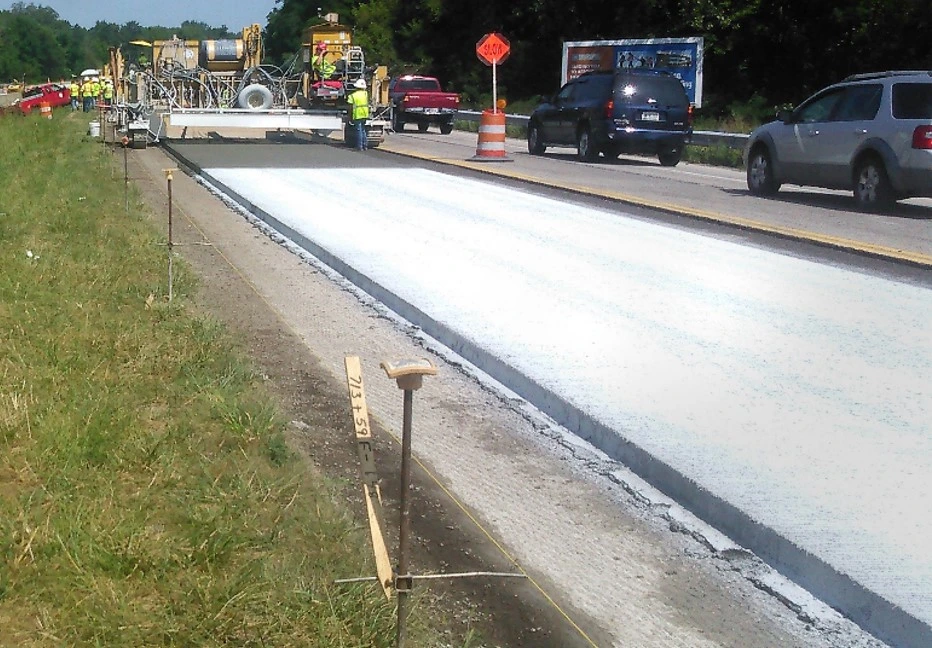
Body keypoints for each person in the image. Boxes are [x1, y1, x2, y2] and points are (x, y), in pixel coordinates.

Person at [347, 78, 369, 151]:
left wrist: (349, 117)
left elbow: (350, 107)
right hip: (365, 114)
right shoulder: (366, 94)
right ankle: (365, 145)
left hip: (357, 114)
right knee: (363, 130)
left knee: (359, 130)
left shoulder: (352, 96)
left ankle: (359, 146)